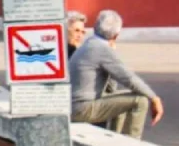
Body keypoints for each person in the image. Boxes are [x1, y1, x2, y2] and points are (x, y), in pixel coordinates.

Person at [69, 10, 163, 138]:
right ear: (116, 36)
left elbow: (112, 88)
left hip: (75, 106)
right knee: (140, 100)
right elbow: (128, 78)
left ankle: (114, 140)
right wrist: (154, 98)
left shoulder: (90, 43)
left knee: (121, 100)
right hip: (81, 108)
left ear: (95, 27)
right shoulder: (101, 49)